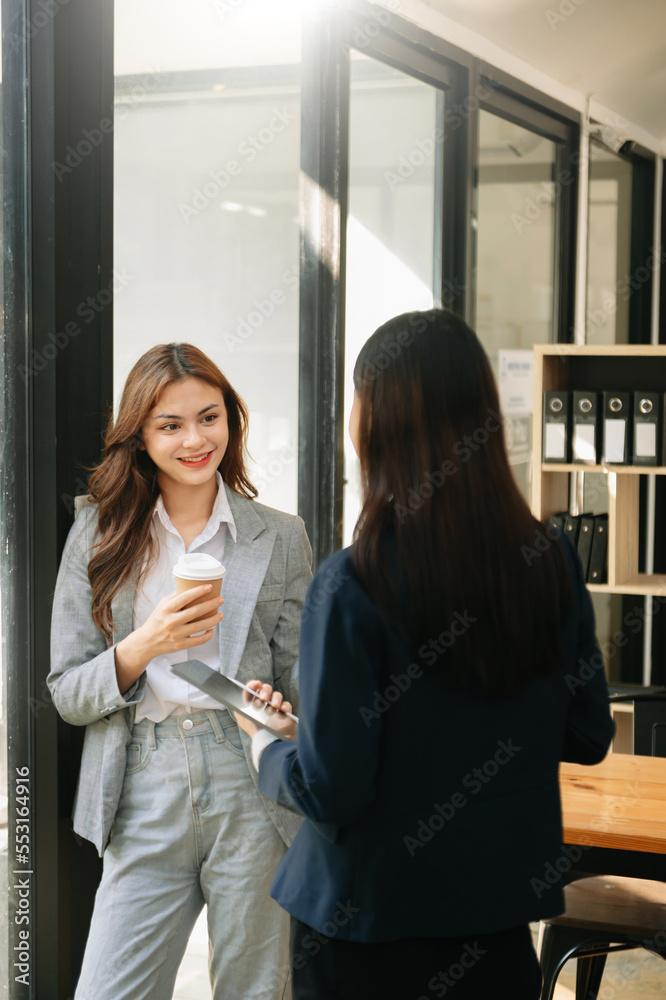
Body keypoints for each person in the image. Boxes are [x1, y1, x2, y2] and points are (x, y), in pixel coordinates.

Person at [235, 309, 615, 1000]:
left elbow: (336, 788)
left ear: (376, 420)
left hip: (362, 931)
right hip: (496, 926)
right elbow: (588, 734)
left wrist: (268, 747)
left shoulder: (352, 584)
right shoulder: (549, 560)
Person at [48, 343, 312, 1000]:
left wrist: (279, 711)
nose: (195, 439)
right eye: (170, 425)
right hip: (143, 779)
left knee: (255, 991)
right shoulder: (99, 531)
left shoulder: (281, 536)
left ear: (232, 421)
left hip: (249, 780)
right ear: (140, 434)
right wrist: (146, 643)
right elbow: (68, 694)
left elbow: (305, 685)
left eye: (209, 417)